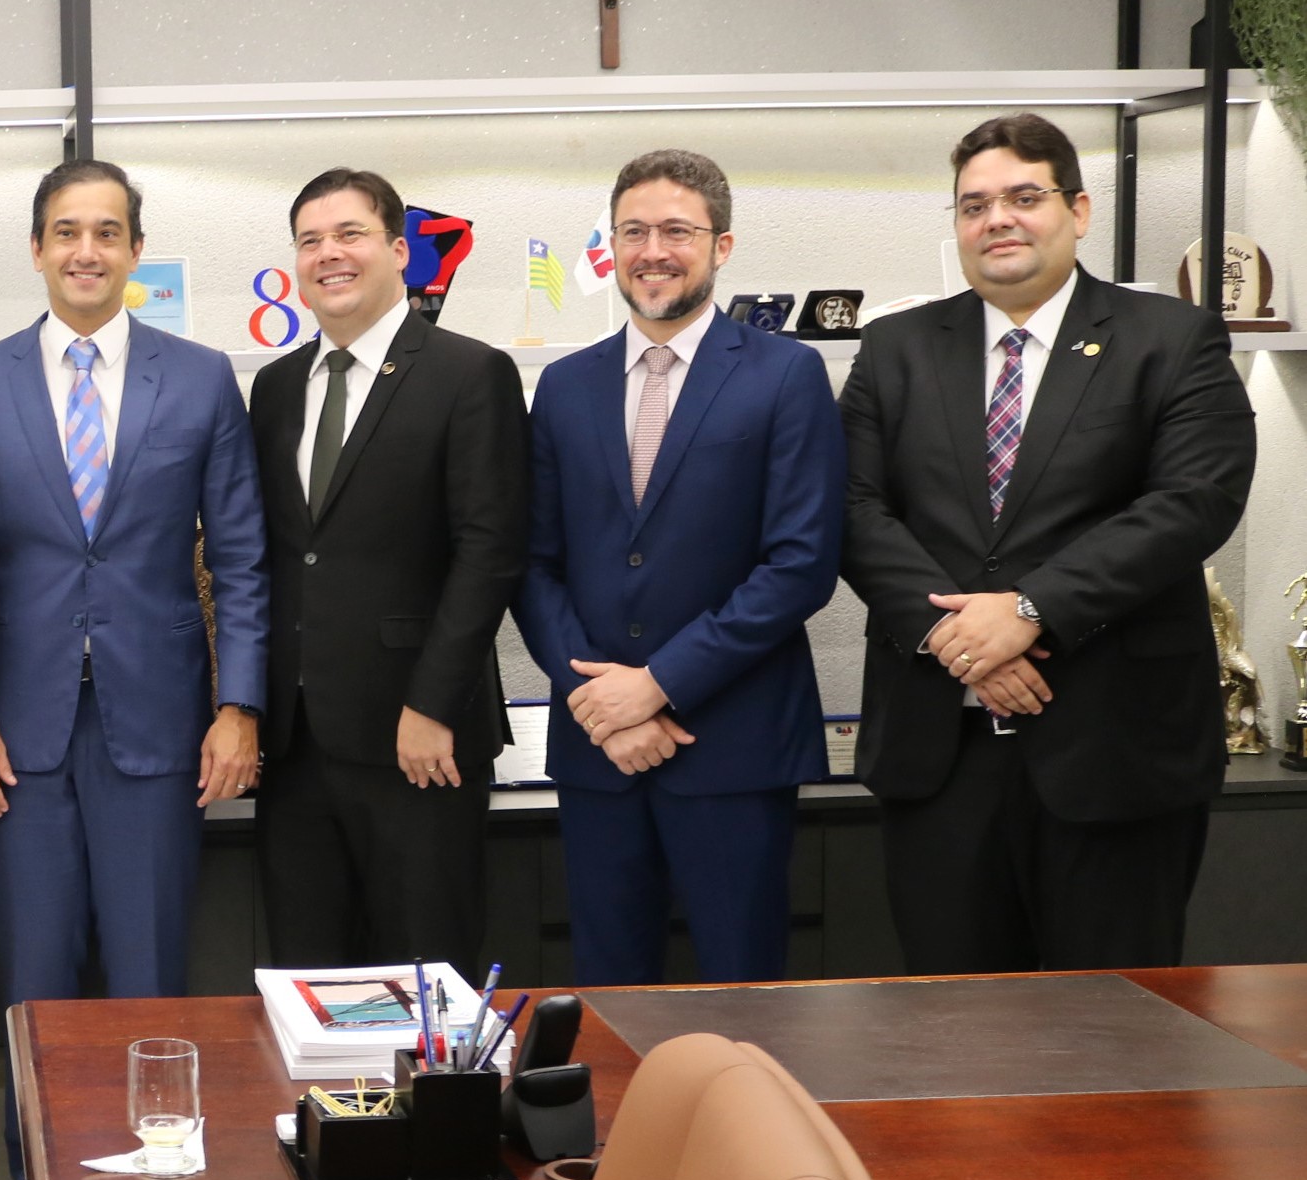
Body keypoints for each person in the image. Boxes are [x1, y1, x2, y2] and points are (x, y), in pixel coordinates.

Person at [0, 160, 264, 1180]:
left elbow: (242, 558)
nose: (86, 250)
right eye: (66, 231)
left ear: (135, 252)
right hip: (14, 728)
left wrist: (238, 704)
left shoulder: (201, 379)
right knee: (33, 973)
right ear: (36, 249)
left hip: (158, 722)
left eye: (107, 232)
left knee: (150, 969)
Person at [841, 113, 1255, 973]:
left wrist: (1031, 610)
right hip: (940, 753)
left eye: (1024, 197)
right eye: (974, 205)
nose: (998, 219)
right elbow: (851, 507)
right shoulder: (894, 348)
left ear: (1079, 210)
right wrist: (959, 638)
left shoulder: (1172, 337)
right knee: (953, 1023)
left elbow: (1194, 502)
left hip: (1115, 751)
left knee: (1116, 1022)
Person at [514, 150, 844, 983]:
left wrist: (658, 684)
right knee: (608, 996)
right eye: (633, 231)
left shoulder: (787, 374)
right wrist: (603, 704)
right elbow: (532, 562)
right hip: (599, 751)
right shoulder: (564, 385)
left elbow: (801, 565)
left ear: (721, 246)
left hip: (734, 747)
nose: (652, 251)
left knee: (745, 997)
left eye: (676, 231)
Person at [247, 170, 529, 970]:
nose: (328, 254)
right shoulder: (275, 388)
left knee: (426, 975)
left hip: (419, 739)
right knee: (309, 978)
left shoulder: (469, 373)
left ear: (400, 252)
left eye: (350, 234)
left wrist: (433, 704)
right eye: (310, 241)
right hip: (296, 747)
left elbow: (490, 552)